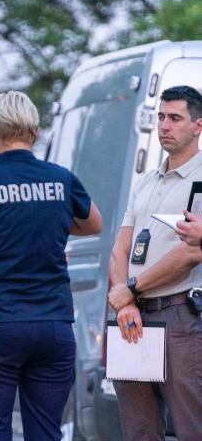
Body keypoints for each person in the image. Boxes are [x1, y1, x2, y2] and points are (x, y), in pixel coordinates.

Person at [0, 90, 102, 441]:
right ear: (35, 131)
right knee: (46, 432)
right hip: (52, 324)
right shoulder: (61, 179)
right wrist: (51, 223)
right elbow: (94, 225)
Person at [106, 85, 202, 440]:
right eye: (161, 117)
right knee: (139, 431)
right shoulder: (145, 182)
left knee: (192, 428)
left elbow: (191, 252)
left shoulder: (201, 179)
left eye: (175, 118)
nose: (164, 125)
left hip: (179, 316)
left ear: (198, 125)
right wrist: (125, 301)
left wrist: (130, 289)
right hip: (132, 318)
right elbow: (120, 250)